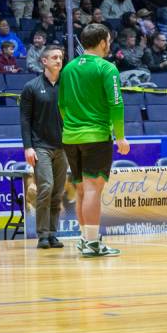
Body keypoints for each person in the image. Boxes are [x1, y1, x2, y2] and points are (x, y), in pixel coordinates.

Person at [58, 23, 129, 257]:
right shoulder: (107, 68)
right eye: (108, 40)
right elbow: (116, 104)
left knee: (81, 190)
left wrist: (72, 126)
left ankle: (84, 239)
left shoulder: (68, 68)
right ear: (102, 42)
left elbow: (62, 105)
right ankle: (92, 244)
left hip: (70, 136)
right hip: (96, 136)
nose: (109, 44)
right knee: (92, 190)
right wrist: (121, 137)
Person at [20, 45, 66, 249]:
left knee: (58, 191)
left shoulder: (67, 85)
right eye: (54, 57)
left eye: (61, 57)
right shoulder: (31, 87)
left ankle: (53, 233)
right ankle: (42, 235)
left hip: (64, 146)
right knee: (45, 187)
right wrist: (28, 147)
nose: (59, 60)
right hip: (41, 146)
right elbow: (24, 119)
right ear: (44, 61)